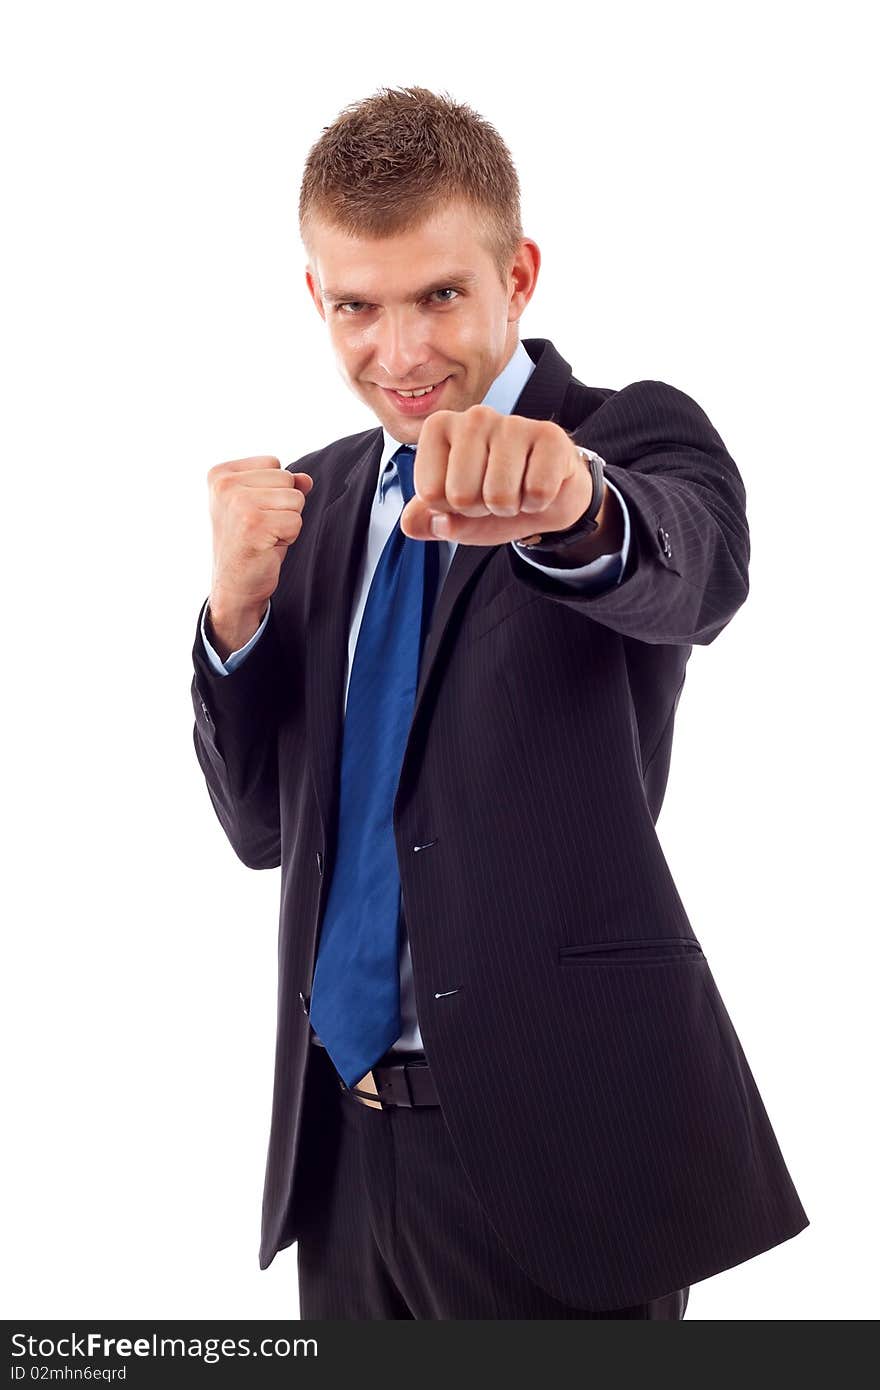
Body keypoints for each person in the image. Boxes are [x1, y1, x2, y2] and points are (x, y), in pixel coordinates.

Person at [190, 85, 809, 1320]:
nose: (401, 352)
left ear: (517, 274)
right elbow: (262, 827)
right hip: (341, 1158)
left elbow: (694, 567)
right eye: (358, 305)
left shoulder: (623, 436)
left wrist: (576, 507)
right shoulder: (311, 504)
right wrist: (233, 618)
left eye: (440, 295)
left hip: (555, 1155)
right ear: (317, 298)